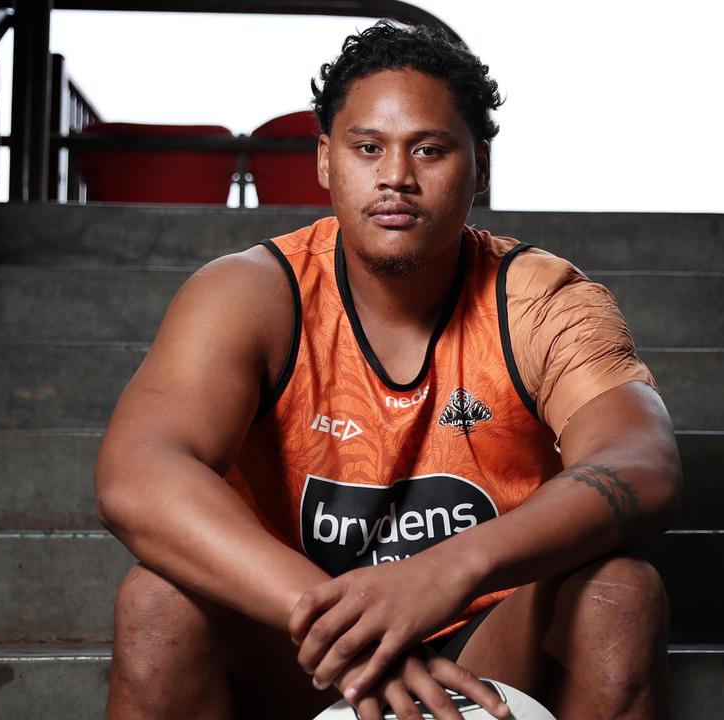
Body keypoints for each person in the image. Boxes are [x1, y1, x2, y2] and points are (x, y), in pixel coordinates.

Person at [96, 20, 681, 720]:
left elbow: (642, 462)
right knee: (156, 602)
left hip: (487, 645)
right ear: (324, 159)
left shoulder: (542, 299)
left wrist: (447, 570)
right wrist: (347, 623)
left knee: (623, 593)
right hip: (302, 640)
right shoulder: (251, 293)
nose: (395, 177)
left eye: (429, 150)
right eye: (367, 148)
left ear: (481, 166)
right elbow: (137, 472)